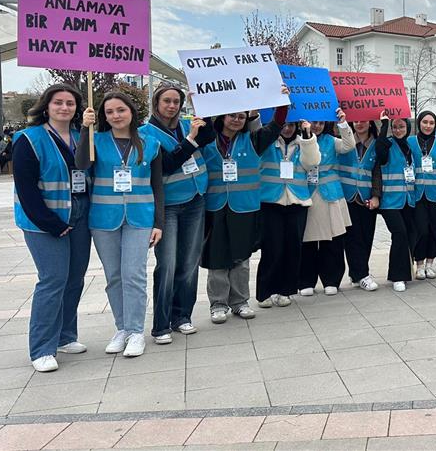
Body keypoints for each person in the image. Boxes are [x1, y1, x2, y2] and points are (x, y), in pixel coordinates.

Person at [77, 92, 163, 358]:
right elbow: (81, 164)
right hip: (104, 219)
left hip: (140, 218)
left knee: (133, 275)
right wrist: (85, 129)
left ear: (131, 112)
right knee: (114, 276)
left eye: (121, 110)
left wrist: (159, 223)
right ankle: (122, 328)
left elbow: (157, 186)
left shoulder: (150, 143)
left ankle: (136, 331)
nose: (116, 115)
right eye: (110, 111)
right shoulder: (96, 140)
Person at [13, 84, 91, 372]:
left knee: (75, 278)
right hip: (44, 222)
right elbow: (26, 189)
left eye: (70, 103)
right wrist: (50, 223)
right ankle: (42, 348)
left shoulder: (82, 136)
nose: (64, 107)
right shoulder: (29, 139)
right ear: (46, 106)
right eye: (58, 102)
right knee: (53, 280)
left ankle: (65, 336)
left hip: (79, 216)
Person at [202, 95, 289, 324]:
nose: (236, 120)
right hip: (215, 207)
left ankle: (240, 302)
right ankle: (218, 304)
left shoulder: (253, 140)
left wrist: (281, 101)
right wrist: (198, 101)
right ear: (222, 117)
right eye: (232, 115)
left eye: (241, 116)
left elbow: (277, 124)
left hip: (245, 207)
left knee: (241, 257)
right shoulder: (208, 140)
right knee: (217, 257)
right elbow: (202, 118)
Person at [139, 86, 214, 345]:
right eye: (166, 101)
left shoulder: (186, 123)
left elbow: (209, 135)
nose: (171, 106)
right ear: (156, 103)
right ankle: (161, 324)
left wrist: (202, 106)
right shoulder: (146, 133)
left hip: (195, 199)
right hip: (168, 206)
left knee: (189, 263)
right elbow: (167, 165)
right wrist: (190, 140)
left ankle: (182, 316)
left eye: (176, 101)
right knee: (168, 264)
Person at [256, 117, 320, 308]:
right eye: (283, 125)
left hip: (297, 202)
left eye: (291, 125)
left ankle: (286, 291)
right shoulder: (267, 141)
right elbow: (255, 135)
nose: (287, 129)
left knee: (293, 249)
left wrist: (308, 136)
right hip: (270, 201)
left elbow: (312, 162)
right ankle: (265, 292)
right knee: (272, 249)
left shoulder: (304, 143)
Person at [299, 111, 355, 296]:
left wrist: (343, 123)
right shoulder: (299, 140)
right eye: (314, 122)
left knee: (333, 241)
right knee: (307, 241)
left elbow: (349, 145)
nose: (317, 126)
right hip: (307, 194)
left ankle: (331, 279)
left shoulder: (331, 141)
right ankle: (306, 280)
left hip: (330, 195)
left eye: (321, 123)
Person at [338, 116, 382, 291]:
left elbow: (377, 172)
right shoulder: (344, 142)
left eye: (363, 120)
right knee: (352, 238)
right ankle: (362, 274)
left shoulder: (376, 145)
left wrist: (376, 196)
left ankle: (356, 274)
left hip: (366, 197)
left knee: (367, 237)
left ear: (370, 123)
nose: (359, 123)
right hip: (347, 195)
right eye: (356, 121)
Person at [375, 114, 417, 291]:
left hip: (408, 200)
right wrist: (384, 124)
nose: (398, 130)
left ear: (408, 128)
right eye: (395, 127)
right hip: (390, 201)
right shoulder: (387, 144)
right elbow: (380, 151)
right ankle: (398, 276)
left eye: (402, 127)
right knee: (399, 233)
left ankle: (406, 270)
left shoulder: (409, 146)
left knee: (410, 234)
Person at [409, 111, 436, 276]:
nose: (428, 126)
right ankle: (419, 264)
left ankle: (429, 264)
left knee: (435, 229)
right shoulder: (410, 141)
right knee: (421, 230)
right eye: (425, 122)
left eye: (431, 123)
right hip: (417, 193)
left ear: (435, 125)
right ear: (419, 123)